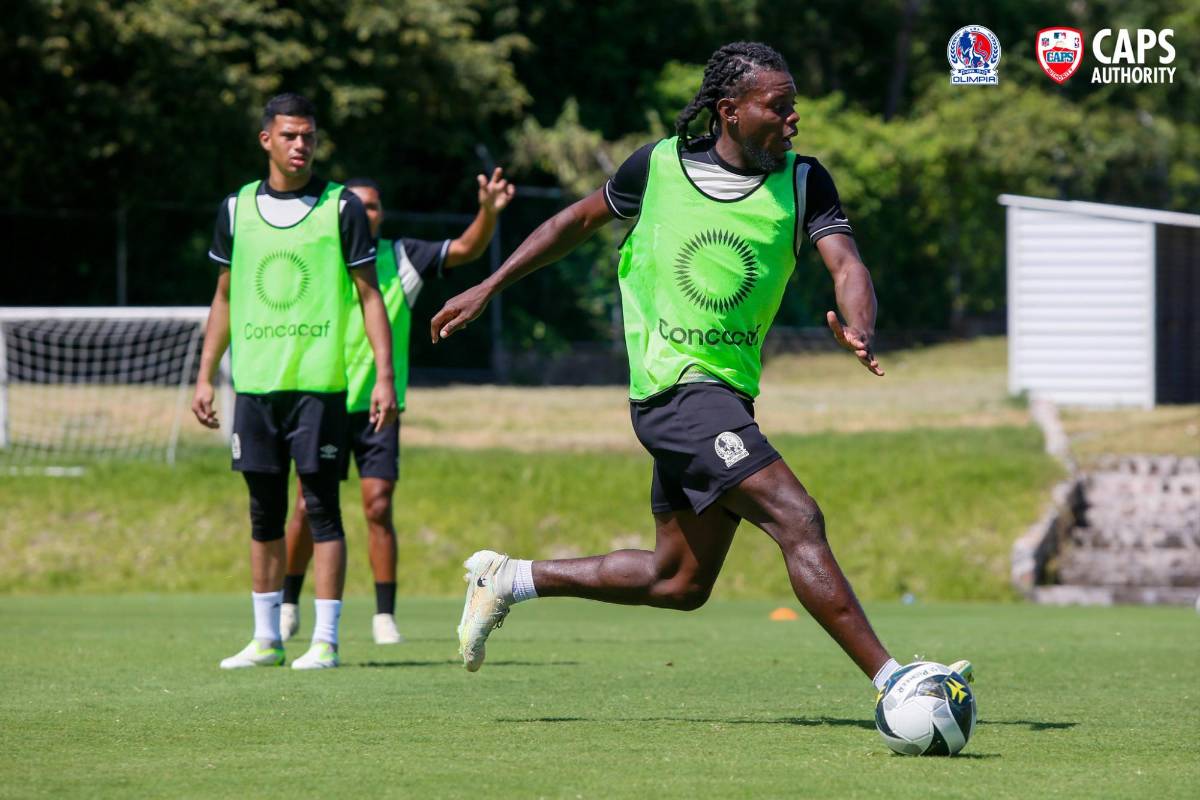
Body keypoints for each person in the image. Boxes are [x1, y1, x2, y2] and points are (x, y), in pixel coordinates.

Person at [431, 43, 972, 695]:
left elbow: (847, 264)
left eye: (794, 106)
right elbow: (572, 221)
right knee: (797, 517)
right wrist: (488, 284)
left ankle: (509, 578)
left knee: (679, 581)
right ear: (730, 112)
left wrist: (859, 324)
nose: (793, 119)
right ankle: (896, 679)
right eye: (779, 107)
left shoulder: (804, 182)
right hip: (674, 393)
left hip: (728, 398)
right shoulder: (657, 167)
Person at [193, 93, 398, 670]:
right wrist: (205, 377)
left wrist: (382, 377)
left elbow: (369, 296)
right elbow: (225, 297)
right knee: (263, 512)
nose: (300, 145)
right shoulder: (236, 209)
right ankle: (265, 639)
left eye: (308, 136)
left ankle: (326, 641)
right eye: (289, 135)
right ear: (267, 140)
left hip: (318, 388)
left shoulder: (340, 208)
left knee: (321, 507)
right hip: (255, 388)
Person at [279, 170, 515, 645]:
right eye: (357, 204)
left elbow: (467, 249)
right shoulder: (317, 258)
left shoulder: (401, 257)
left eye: (374, 205)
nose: (367, 212)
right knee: (305, 506)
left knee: (378, 506)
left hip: (378, 408)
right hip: (320, 402)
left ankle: (383, 614)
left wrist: (488, 211)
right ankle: (287, 604)